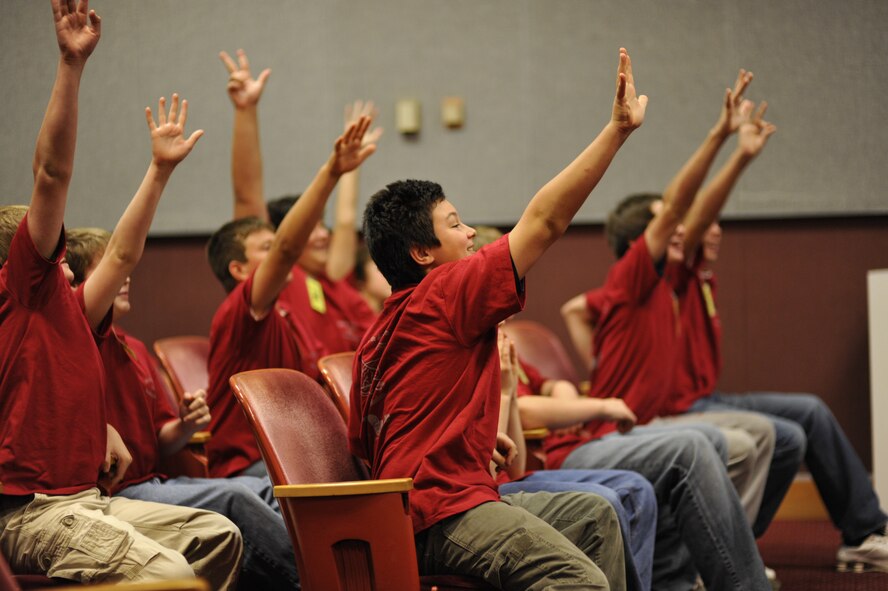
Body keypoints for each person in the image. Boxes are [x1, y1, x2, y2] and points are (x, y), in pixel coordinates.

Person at [350, 48, 647, 590]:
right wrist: (616, 132)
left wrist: (467, 441)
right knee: (579, 580)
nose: (470, 235)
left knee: (597, 518)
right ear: (422, 253)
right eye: (455, 223)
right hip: (439, 514)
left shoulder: (383, 327)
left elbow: (380, 437)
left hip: (429, 501)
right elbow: (547, 219)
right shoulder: (442, 290)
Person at [0, 4, 243, 586]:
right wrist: (70, 65)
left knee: (217, 538)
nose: (63, 253)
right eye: (51, 250)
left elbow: (123, 255)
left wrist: (159, 171)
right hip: (36, 514)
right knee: (171, 576)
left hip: (88, 498)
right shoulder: (22, 294)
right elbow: (51, 175)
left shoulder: (68, 309)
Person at [561, 72, 777, 528]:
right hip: (624, 428)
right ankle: (705, 548)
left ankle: (728, 547)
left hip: (653, 418)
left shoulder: (666, 282)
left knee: (762, 433)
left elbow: (575, 309)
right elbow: (680, 208)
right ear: (644, 239)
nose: (681, 230)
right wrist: (719, 134)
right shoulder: (632, 277)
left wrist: (597, 359)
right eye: (665, 226)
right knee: (737, 444)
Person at [659, 160, 888, 572]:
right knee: (788, 437)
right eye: (707, 222)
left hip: (707, 398)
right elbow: (688, 218)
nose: (716, 230)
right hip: (682, 407)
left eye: (716, 222)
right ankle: (730, 547)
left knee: (811, 412)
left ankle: (864, 533)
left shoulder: (699, 280)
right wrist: (737, 152)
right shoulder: (669, 275)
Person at [66, 227, 300, 590]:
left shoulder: (136, 349)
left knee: (266, 489)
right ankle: (315, 578)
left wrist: (186, 425)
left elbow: (162, 441)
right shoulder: (80, 339)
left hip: (155, 479)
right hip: (119, 491)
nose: (125, 278)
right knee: (235, 497)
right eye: (108, 270)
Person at [205, 112, 376, 479]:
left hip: (294, 455)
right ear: (239, 269)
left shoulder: (288, 310)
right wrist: (246, 109)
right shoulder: (246, 308)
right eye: (265, 248)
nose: (283, 255)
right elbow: (258, 210)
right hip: (254, 468)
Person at [221, 50, 379, 374]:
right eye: (310, 228)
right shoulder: (281, 280)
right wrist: (246, 111)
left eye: (323, 226)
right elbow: (248, 197)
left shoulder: (328, 281)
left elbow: (347, 220)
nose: (323, 235)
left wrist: (351, 162)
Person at [495, 331, 656, 591]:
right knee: (604, 505)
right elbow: (489, 470)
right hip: (487, 491)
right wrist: (505, 394)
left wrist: (514, 391)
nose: (505, 321)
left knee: (637, 489)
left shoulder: (502, 349)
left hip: (519, 473)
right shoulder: (471, 356)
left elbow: (515, 468)